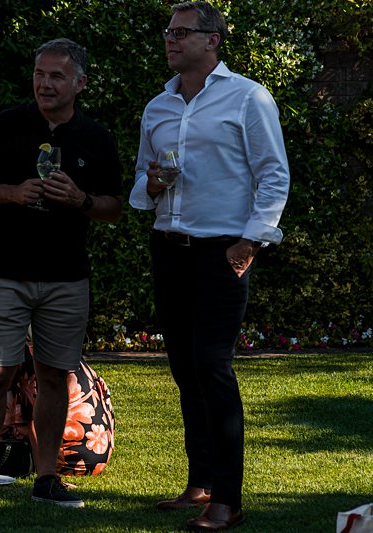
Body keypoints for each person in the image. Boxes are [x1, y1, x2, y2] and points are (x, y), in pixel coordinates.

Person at [129, 2, 290, 531]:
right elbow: (140, 187)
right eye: (168, 33)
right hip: (168, 246)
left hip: (223, 251)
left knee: (213, 367)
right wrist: (152, 185)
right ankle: (199, 482)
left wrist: (249, 243)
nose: (171, 41)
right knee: (184, 368)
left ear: (213, 40)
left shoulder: (248, 97)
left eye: (182, 32)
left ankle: (228, 498)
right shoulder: (158, 105)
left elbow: (273, 176)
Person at [0, 37, 123, 510]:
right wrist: (12, 193)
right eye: (39, 74)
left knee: (54, 377)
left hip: (67, 278)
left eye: (56, 76)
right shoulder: (6, 126)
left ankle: (46, 478)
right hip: (7, 273)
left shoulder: (96, 138)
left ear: (79, 83)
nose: (44, 84)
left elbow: (114, 207)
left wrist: (82, 201)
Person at [0, 345, 115, 477]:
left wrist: (46, 474)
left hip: (67, 461)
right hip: (98, 455)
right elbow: (1, 405)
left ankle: (45, 471)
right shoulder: (62, 351)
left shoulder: (25, 358)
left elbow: (31, 423)